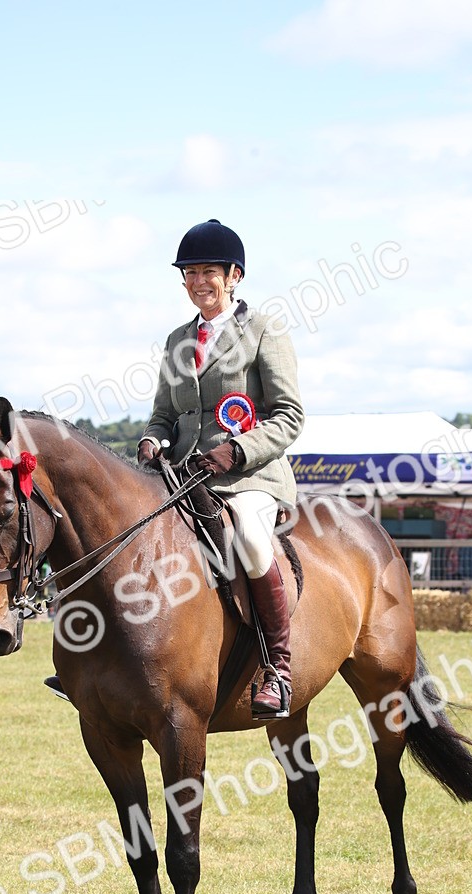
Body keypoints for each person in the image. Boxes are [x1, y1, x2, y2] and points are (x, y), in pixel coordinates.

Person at [138, 218, 305, 718]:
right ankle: (108, 661)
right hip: (184, 473)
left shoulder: (263, 331)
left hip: (249, 475)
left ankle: (277, 668)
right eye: (189, 273)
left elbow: (289, 415)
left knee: (251, 542)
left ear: (234, 275)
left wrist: (237, 451)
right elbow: (165, 414)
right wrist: (151, 439)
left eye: (208, 271)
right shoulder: (176, 341)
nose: (197, 282)